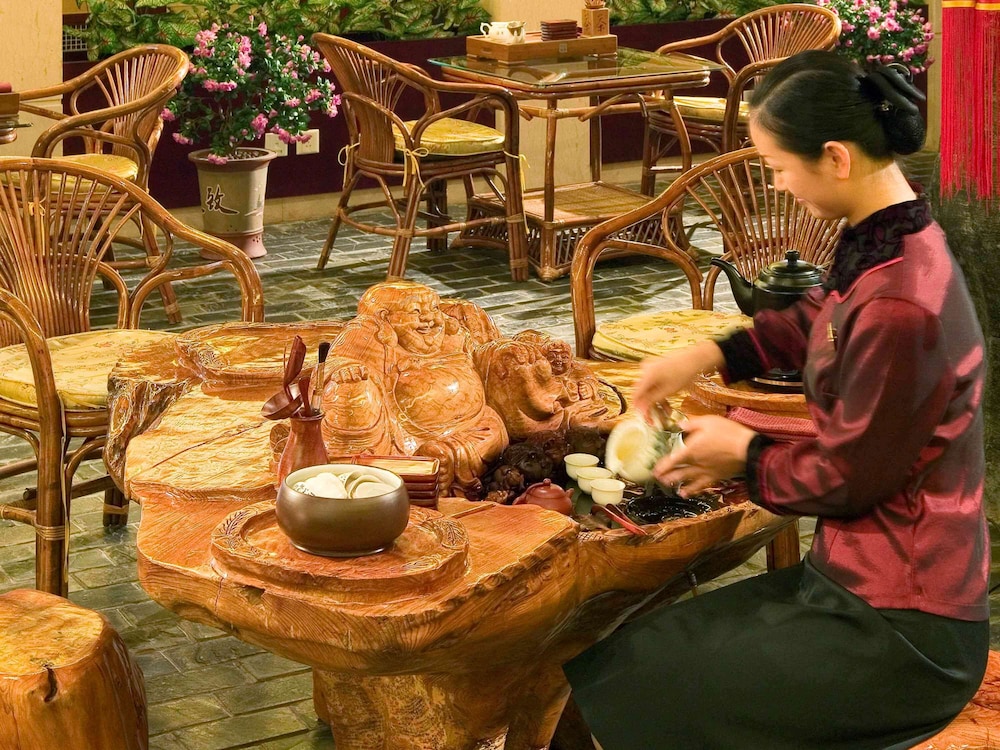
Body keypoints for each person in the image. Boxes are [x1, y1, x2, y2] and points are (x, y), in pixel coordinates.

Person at [563, 50, 989, 749]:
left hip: (902, 627)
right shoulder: (890, 239)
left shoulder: (903, 304)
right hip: (855, 585)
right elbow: (822, 316)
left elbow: (848, 478)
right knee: (626, 658)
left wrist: (745, 453)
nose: (777, 184)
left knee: (635, 685)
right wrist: (708, 355)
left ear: (835, 158)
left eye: (778, 167)